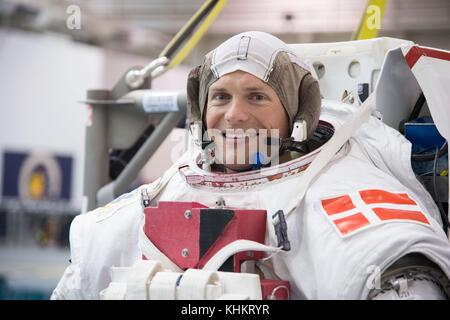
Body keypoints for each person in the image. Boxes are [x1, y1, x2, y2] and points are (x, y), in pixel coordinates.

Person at [52, 31, 450, 300]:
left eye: (257, 97)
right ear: (200, 111)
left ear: (296, 113)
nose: (234, 115)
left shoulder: (339, 195)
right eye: (220, 97)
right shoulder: (162, 194)